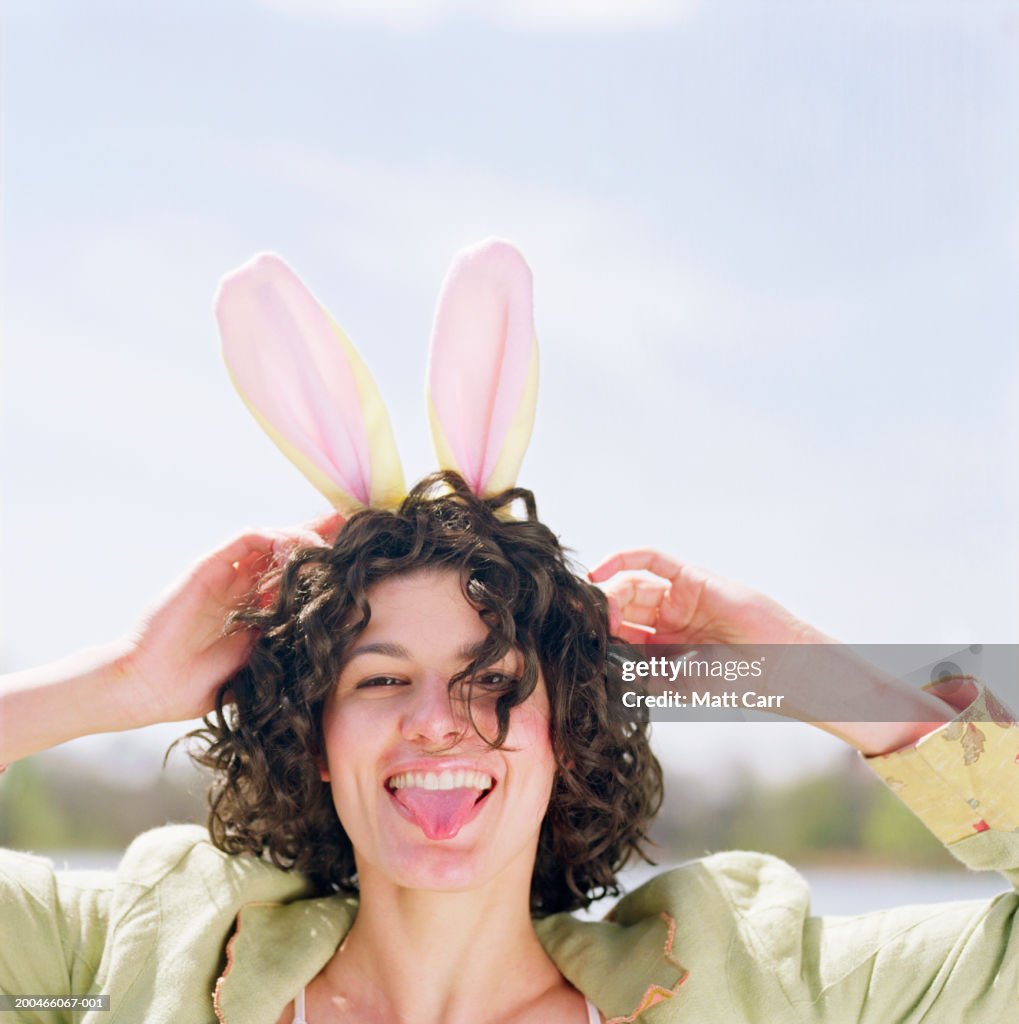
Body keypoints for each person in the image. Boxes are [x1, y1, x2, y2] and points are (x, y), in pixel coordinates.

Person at [1, 471, 1017, 1024]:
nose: (438, 718)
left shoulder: (756, 983)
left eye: (493, 679)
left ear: (562, 737)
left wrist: (802, 670)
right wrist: (120, 682)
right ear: (314, 739)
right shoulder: (132, 955)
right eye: (382, 677)